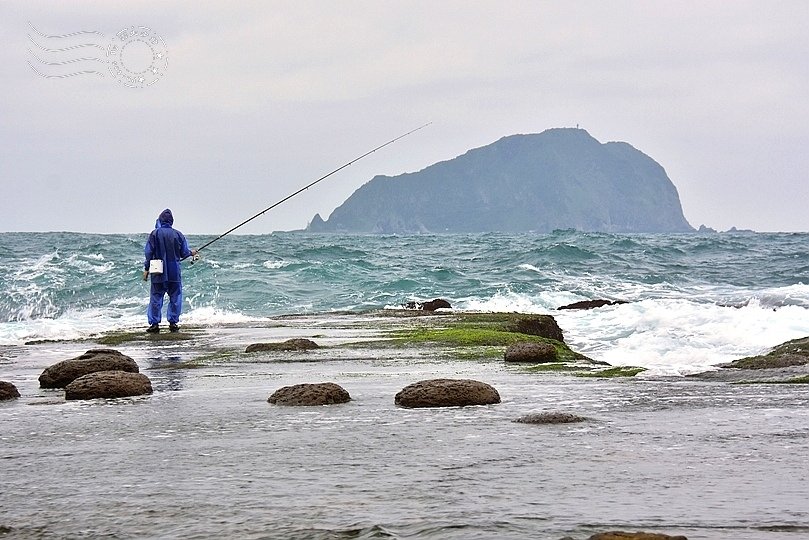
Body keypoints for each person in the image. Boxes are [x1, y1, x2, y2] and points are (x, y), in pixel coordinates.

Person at [142, 209, 197, 333]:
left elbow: (148, 253)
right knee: (175, 297)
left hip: (158, 272)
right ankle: (173, 323)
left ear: (160, 220)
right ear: (172, 221)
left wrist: (146, 269)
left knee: (156, 298)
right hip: (174, 272)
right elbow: (184, 252)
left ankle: (154, 324)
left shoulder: (154, 234)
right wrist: (191, 252)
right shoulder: (178, 234)